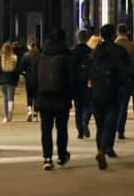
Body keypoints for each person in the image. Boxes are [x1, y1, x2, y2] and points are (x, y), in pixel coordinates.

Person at [31, 29, 73, 171]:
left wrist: (34, 98)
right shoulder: (66, 56)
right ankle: (61, 156)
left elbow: (34, 80)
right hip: (61, 99)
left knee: (46, 130)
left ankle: (47, 158)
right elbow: (70, 79)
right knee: (62, 129)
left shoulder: (40, 56)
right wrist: (71, 96)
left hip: (44, 99)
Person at [89, 24, 128, 169]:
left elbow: (90, 70)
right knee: (110, 124)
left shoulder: (96, 51)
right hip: (112, 92)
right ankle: (102, 151)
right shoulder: (119, 51)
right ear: (113, 35)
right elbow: (125, 72)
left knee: (100, 125)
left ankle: (102, 150)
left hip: (96, 92)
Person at [114, 23, 134, 140]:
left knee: (114, 106)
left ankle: (113, 128)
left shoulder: (113, 45)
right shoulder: (132, 46)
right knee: (123, 106)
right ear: (127, 32)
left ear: (117, 32)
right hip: (127, 80)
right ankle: (120, 130)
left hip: (114, 81)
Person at [72, 30, 93, 139]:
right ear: (87, 38)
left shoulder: (73, 52)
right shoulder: (90, 51)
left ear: (77, 38)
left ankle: (80, 131)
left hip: (76, 84)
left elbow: (70, 69)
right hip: (88, 83)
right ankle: (85, 120)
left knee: (78, 107)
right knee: (88, 105)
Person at [0, 42, 19, 123]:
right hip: (11, 81)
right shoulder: (14, 58)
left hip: (2, 81)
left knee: (4, 99)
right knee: (10, 99)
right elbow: (16, 71)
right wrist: (17, 80)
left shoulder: (0, 58)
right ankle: (10, 116)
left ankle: (5, 117)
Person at [19, 40, 41, 122]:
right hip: (37, 79)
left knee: (29, 95)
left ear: (29, 46)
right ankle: (35, 115)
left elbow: (20, 69)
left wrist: (25, 74)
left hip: (28, 78)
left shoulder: (25, 56)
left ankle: (29, 111)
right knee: (37, 97)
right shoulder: (39, 55)